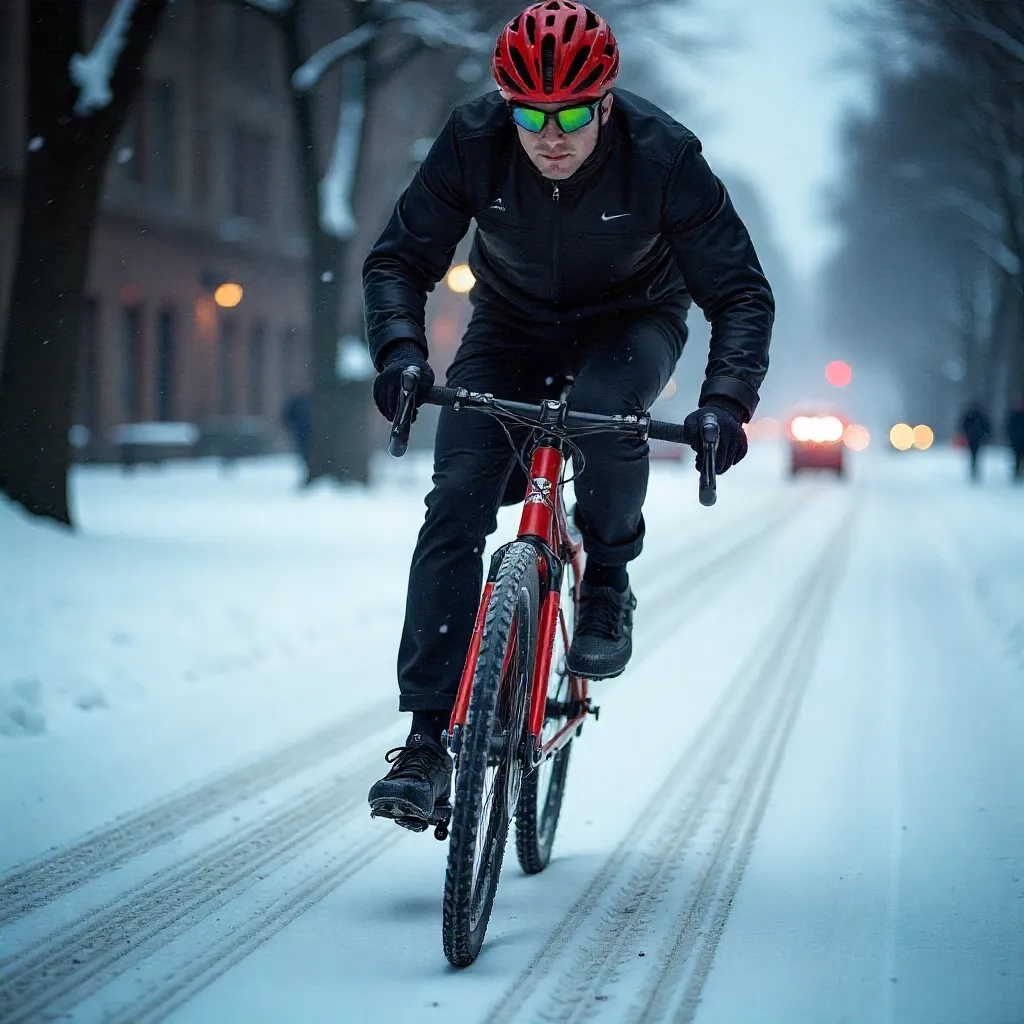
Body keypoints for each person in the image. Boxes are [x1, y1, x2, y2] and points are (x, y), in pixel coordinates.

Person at [363, 1, 774, 830]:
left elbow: (738, 293)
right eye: (531, 114)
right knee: (454, 508)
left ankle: (609, 579)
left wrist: (725, 403)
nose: (552, 135)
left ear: (608, 103)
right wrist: (402, 351)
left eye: (575, 114)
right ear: (506, 103)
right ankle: (424, 742)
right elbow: (400, 258)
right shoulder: (473, 139)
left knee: (598, 417)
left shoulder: (664, 157)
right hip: (510, 323)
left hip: (634, 320)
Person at [281, 390, 312, 483]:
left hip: (304, 432)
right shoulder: (300, 401)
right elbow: (287, 416)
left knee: (305, 454)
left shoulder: (301, 401)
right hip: (303, 432)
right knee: (305, 454)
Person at [960, 398, 992, 482]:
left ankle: (974, 469)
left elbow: (964, 425)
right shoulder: (978, 415)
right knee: (975, 455)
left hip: (975, 438)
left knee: (974, 455)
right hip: (976, 438)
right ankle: (974, 469)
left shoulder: (972, 415)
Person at [1005, 393, 1024, 482]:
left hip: (1021, 440)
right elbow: (1008, 427)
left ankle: (1020, 472)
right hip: (1016, 440)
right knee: (1016, 457)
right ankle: (1016, 473)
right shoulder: (1013, 415)